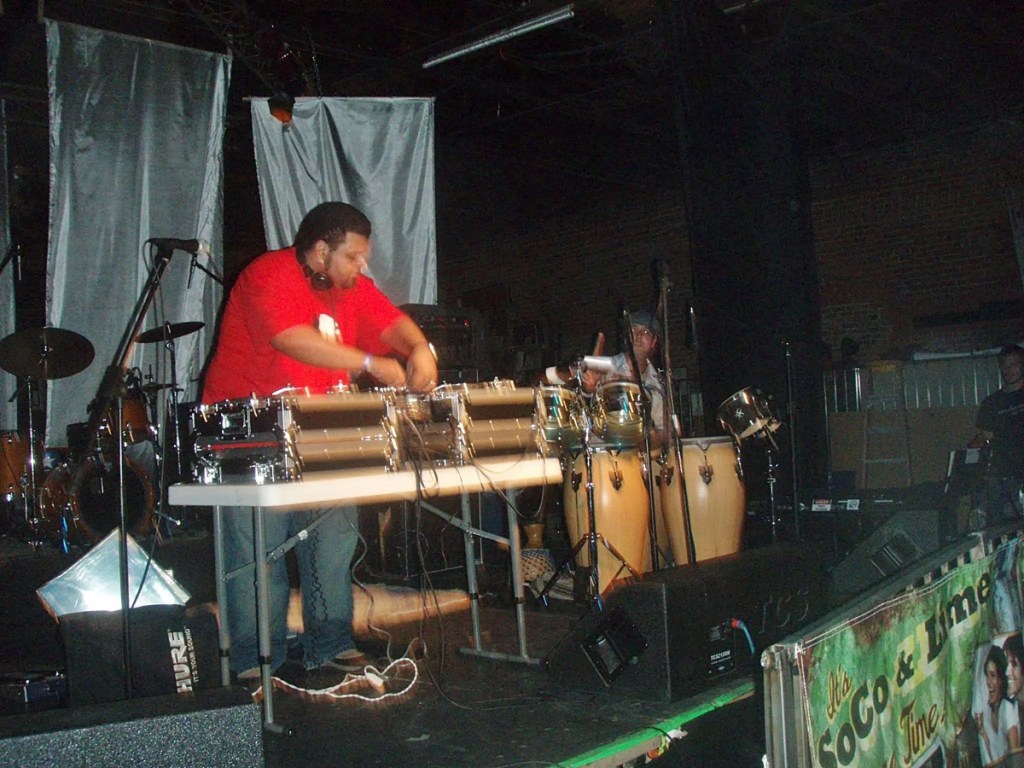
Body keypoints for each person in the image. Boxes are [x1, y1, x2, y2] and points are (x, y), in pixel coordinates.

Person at [201, 201, 437, 680]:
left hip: (320, 437)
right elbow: (290, 339)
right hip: (250, 441)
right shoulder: (266, 275)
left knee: (333, 543)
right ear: (319, 251)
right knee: (256, 560)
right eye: (352, 257)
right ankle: (254, 659)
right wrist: (369, 363)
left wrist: (418, 349)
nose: (361, 266)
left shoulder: (353, 288)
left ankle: (329, 643)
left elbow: (391, 322)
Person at [540, 310, 669, 448]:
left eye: (645, 332)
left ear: (654, 342)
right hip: (602, 453)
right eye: (633, 330)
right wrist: (586, 388)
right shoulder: (603, 366)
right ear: (627, 336)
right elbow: (549, 378)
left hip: (639, 457)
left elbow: (664, 431)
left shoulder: (658, 382)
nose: (637, 336)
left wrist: (655, 437)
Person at [971, 344, 1024, 524]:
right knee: (995, 529)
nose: (1008, 370)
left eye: (1014, 364)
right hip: (997, 478)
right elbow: (981, 434)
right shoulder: (991, 403)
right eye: (1004, 365)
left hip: (1020, 476)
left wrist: (997, 434)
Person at [976, 644, 1020, 765]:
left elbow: (1015, 757)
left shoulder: (1007, 709)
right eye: (986, 674)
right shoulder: (987, 713)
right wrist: (982, 732)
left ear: (1001, 680)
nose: (988, 681)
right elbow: (993, 757)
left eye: (993, 675)